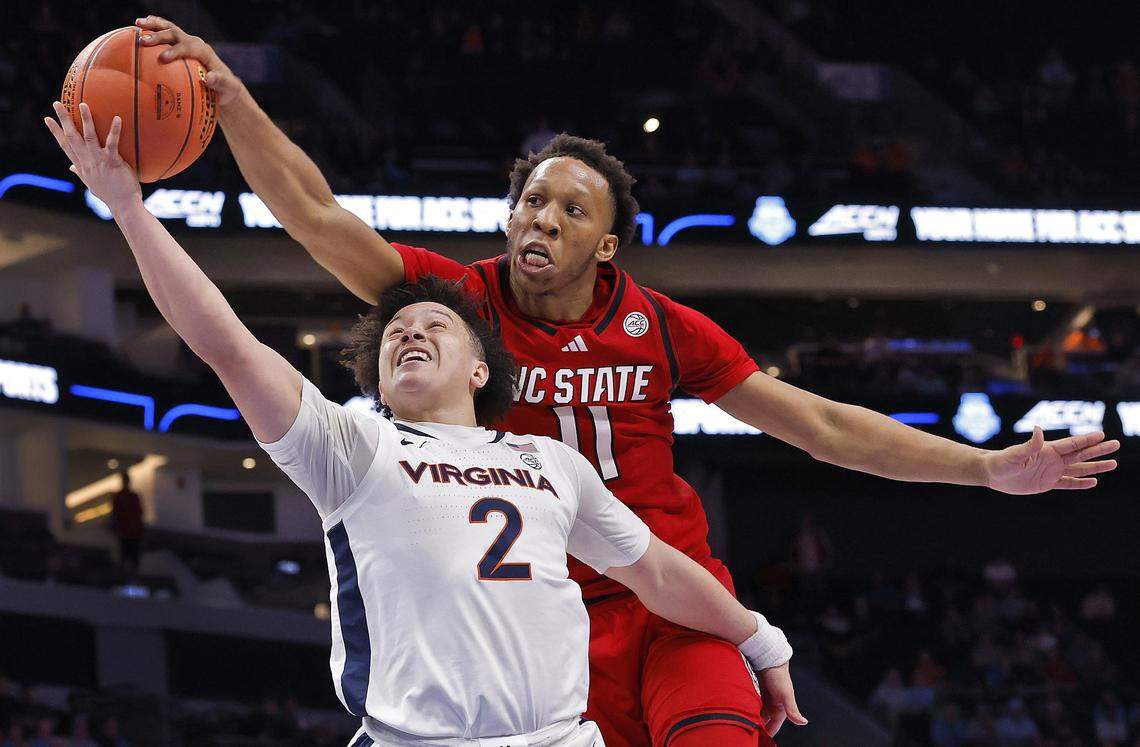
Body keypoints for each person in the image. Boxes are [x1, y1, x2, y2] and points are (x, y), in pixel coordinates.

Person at [134, 17, 1123, 746]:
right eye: (530, 201)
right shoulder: (460, 303)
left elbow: (820, 425)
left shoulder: (664, 326)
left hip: (674, 609)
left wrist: (987, 471)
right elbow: (312, 213)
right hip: (541, 633)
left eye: (569, 207)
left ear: (604, 242)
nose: (542, 219)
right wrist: (231, 102)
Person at [44, 103, 802, 747]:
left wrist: (760, 640)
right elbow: (223, 341)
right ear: (374, 378)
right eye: (398, 329)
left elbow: (663, 573)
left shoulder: (550, 462)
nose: (412, 330)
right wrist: (130, 209)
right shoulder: (352, 447)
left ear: (481, 368)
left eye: (436, 322)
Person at [109, 470, 144, 575]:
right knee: (129, 556)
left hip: (129, 532)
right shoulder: (126, 497)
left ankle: (127, 574)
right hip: (129, 532)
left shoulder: (125, 497)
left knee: (128, 556)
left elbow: (137, 513)